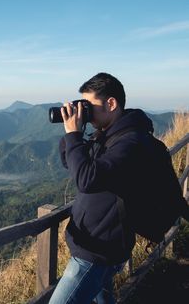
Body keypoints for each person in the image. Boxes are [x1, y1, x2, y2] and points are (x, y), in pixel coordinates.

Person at [49, 72, 155, 304]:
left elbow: (86, 180)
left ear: (111, 103)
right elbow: (72, 163)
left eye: (89, 105)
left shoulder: (131, 142)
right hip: (96, 245)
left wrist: (75, 134)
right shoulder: (109, 135)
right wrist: (72, 132)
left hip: (98, 252)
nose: (84, 110)